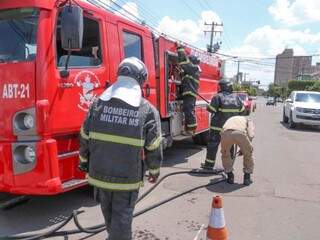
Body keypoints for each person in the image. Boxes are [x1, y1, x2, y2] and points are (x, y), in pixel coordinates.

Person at [78, 57, 162, 240]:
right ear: (141, 79)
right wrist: (154, 170)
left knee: (110, 217)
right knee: (122, 221)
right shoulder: (147, 109)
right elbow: (154, 145)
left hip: (99, 175)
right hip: (126, 179)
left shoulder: (98, 104)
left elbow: (85, 135)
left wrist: (84, 162)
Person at [201, 80, 244, 170]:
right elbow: (243, 111)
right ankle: (229, 167)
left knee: (213, 145)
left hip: (217, 128)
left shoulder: (217, 97)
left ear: (221, 87)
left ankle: (209, 165)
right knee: (230, 147)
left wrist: (208, 106)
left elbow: (212, 109)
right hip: (231, 128)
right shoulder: (237, 97)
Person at [220, 116, 254, 185]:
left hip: (226, 133)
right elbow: (250, 135)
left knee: (225, 153)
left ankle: (230, 176)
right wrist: (246, 148)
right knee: (248, 154)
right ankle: (247, 177)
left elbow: (223, 129)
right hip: (240, 133)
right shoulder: (249, 121)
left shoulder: (231, 118)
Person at [176, 42, 201, 134]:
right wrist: (181, 73)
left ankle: (191, 130)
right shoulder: (193, 70)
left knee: (189, 111)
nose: (188, 62)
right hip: (189, 93)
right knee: (188, 110)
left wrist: (179, 48)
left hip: (190, 93)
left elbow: (183, 61)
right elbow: (186, 79)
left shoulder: (193, 68)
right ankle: (189, 129)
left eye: (189, 61)